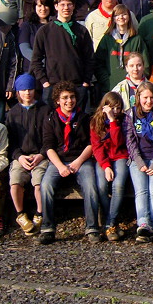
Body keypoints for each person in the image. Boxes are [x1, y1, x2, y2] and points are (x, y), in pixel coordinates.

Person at [37, 81, 100, 245]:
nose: (69, 101)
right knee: (45, 186)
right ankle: (47, 228)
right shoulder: (51, 119)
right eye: (64, 98)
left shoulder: (84, 118)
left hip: (81, 160)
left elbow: (91, 144)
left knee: (90, 186)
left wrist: (78, 162)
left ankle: (92, 227)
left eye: (72, 97)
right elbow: (48, 147)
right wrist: (60, 167)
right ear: (57, 100)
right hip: (58, 161)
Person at [30, 0, 95, 107]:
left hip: (77, 86)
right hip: (52, 86)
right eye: (62, 4)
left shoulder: (81, 31)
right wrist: (45, 82)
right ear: (56, 6)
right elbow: (36, 60)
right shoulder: (45, 31)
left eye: (69, 4)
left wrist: (86, 82)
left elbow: (89, 58)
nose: (66, 8)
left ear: (74, 6)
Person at [5, 74, 51, 236]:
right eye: (23, 90)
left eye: (30, 89)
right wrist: (19, 157)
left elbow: (49, 138)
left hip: (40, 156)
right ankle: (20, 214)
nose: (27, 93)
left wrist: (41, 154)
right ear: (18, 92)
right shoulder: (12, 114)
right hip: (21, 156)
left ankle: (39, 213)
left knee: (38, 183)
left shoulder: (45, 110)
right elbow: (10, 142)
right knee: (15, 181)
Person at [125, 82, 153, 242]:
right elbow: (130, 141)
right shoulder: (130, 115)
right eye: (145, 98)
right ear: (138, 98)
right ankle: (143, 223)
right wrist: (139, 161)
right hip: (138, 160)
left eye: (151, 98)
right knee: (141, 191)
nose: (148, 101)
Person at [90, 92, 131, 242]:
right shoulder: (95, 123)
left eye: (117, 108)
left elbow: (119, 143)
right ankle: (110, 221)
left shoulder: (124, 121)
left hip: (120, 156)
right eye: (111, 108)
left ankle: (110, 223)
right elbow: (97, 147)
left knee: (118, 185)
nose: (114, 111)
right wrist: (106, 166)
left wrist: (113, 121)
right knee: (101, 186)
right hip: (104, 159)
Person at [95, 2, 149, 94]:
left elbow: (146, 64)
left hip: (133, 87)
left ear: (129, 17)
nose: (121, 17)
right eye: (117, 15)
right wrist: (105, 80)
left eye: (124, 14)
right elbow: (98, 63)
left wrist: (139, 81)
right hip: (110, 87)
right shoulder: (107, 39)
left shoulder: (137, 39)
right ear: (113, 18)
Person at [18, 0, 52, 73]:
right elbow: (25, 49)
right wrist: (42, 62)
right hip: (32, 69)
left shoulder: (55, 25)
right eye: (39, 6)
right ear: (34, 7)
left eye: (46, 5)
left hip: (52, 70)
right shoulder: (27, 25)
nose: (43, 9)